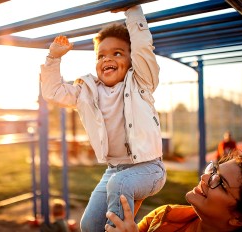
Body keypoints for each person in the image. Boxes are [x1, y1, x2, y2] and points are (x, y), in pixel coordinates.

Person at [40, 4, 166, 231]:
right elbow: (53, 92)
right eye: (101, 55)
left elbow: (142, 48)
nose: (107, 59)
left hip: (149, 169)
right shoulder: (87, 91)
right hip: (114, 169)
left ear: (131, 60)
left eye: (117, 53)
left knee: (120, 184)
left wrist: (133, 11)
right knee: (88, 225)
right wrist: (53, 58)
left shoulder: (140, 82)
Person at [105, 151, 242, 232]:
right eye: (213, 170)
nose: (205, 177)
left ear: (239, 218)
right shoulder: (164, 216)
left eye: (220, 182)